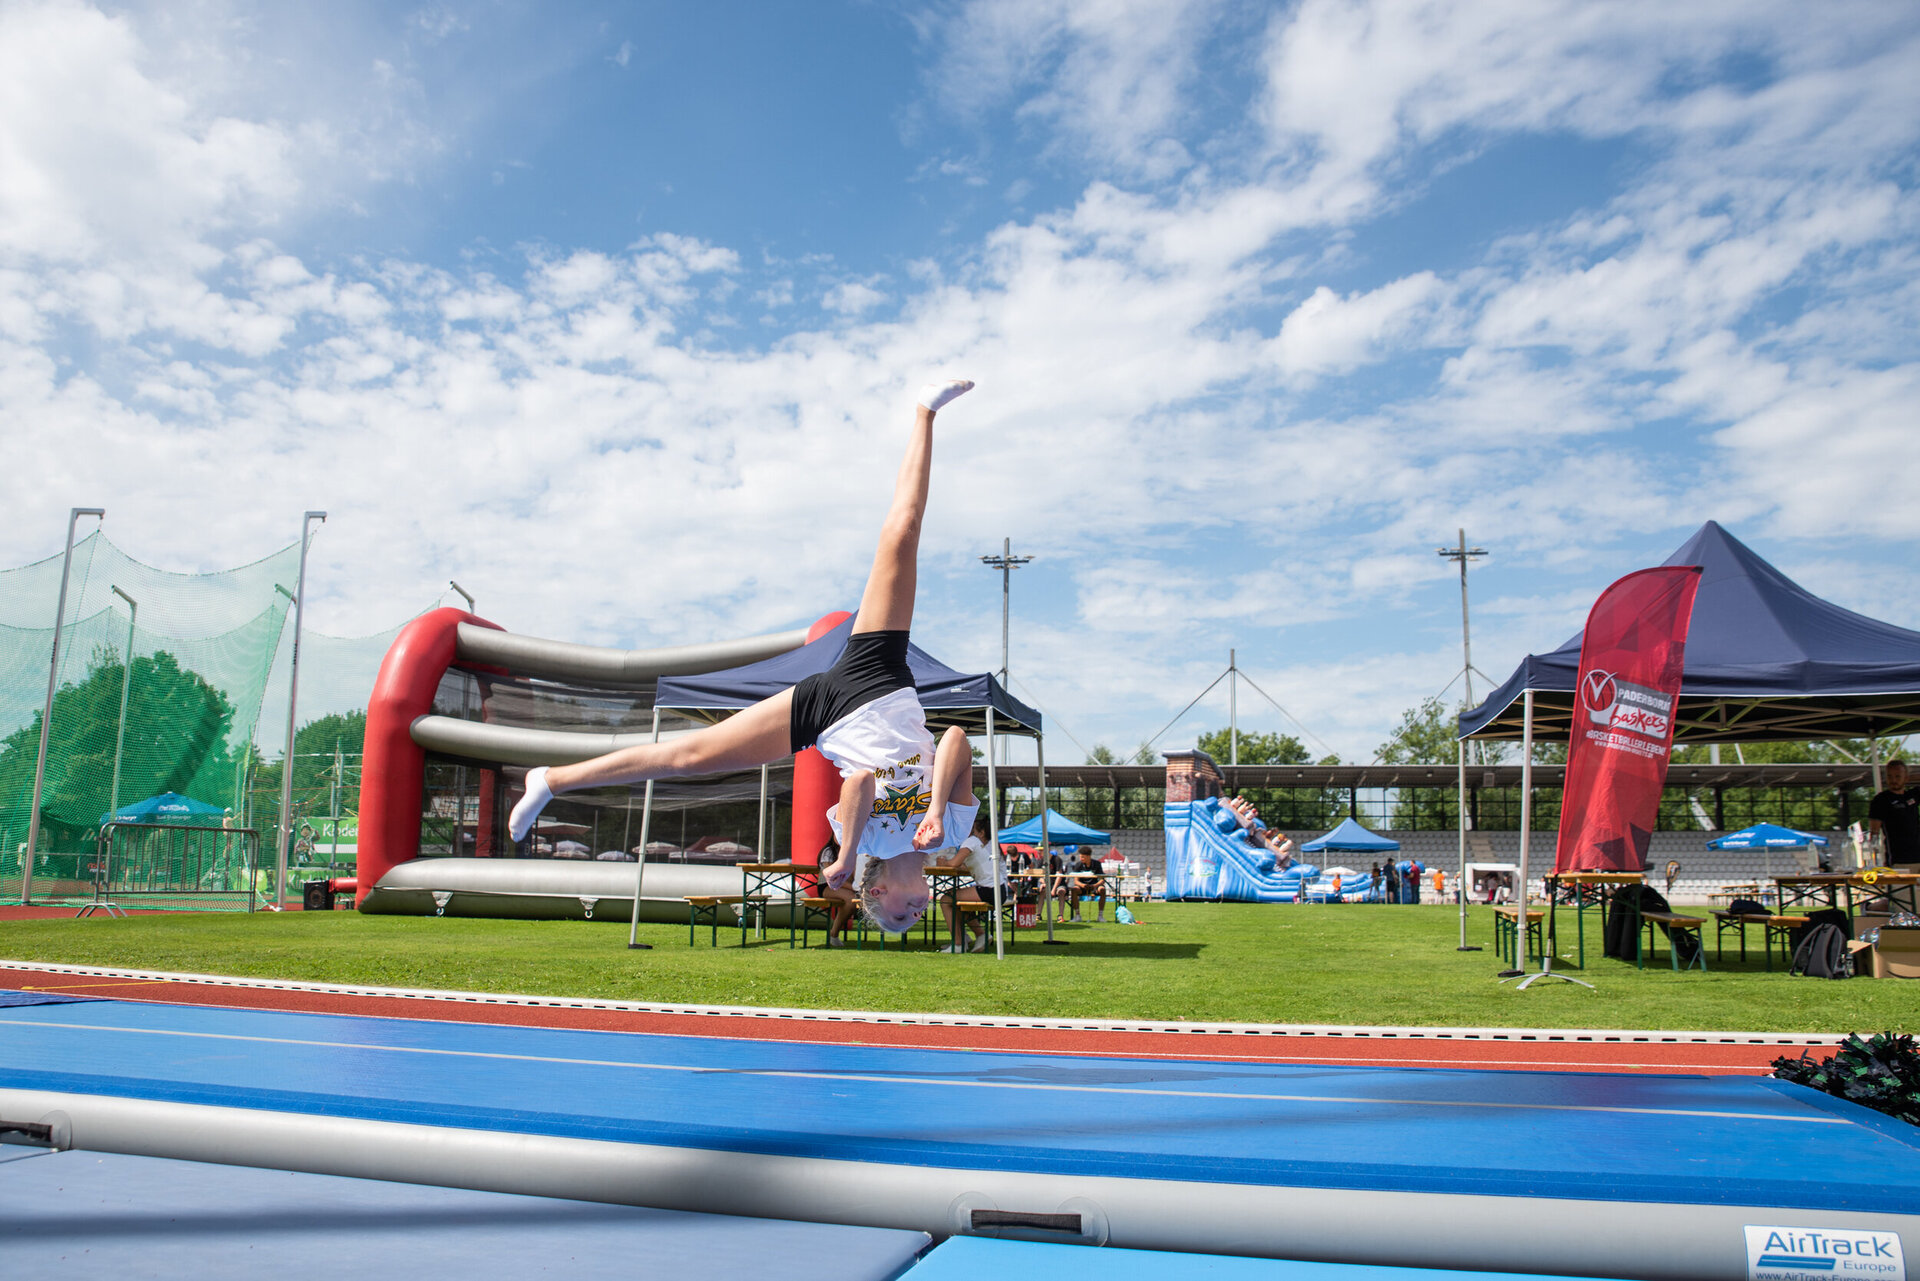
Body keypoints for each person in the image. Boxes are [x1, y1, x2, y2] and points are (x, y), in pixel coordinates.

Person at [509, 379, 980, 935]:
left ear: (876, 891)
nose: (918, 912)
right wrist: (930, 813)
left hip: (821, 716)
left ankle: (554, 779)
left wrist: (848, 854)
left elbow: (858, 784)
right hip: (879, 675)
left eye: (901, 914)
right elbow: (956, 742)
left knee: (690, 756)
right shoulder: (951, 834)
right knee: (902, 533)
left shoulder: (869, 844)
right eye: (917, 916)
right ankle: (925, 413)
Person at [934, 812, 1004, 952]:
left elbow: (954, 863)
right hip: (998, 888)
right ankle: (975, 936)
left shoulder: (971, 841)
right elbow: (964, 865)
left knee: (946, 900)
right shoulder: (978, 843)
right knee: (956, 901)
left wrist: (944, 863)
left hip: (990, 889)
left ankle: (958, 944)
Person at [1869, 759, 1919, 868]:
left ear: (1905, 778)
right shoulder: (1881, 799)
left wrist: (1912, 776)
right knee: (1901, 885)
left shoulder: (1912, 795)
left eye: (1897, 776)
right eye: (1890, 776)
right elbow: (1874, 833)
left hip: (1918, 856)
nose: (1893, 780)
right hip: (1898, 859)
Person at [1069, 847, 1107, 922]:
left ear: (1088, 856)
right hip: (1082, 887)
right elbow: (1076, 881)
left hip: (1094, 887)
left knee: (1102, 889)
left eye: (1083, 857)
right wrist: (1083, 885)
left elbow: (1102, 879)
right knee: (1074, 890)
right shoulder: (1078, 865)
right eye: (1080, 857)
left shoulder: (1097, 864)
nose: (1081, 858)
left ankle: (1100, 916)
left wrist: (1095, 885)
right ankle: (1077, 916)